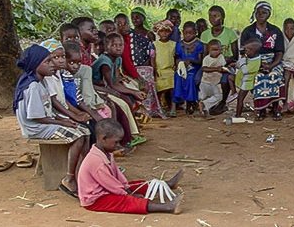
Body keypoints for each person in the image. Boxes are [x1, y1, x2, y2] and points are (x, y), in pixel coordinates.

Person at [13, 44, 90, 198]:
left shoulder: (42, 81)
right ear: (35, 65)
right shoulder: (33, 86)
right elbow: (37, 116)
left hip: (44, 122)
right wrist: (62, 122)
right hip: (36, 127)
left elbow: (47, 110)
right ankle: (69, 178)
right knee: (78, 136)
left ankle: (82, 172)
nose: (52, 64)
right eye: (47, 61)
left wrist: (62, 119)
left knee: (85, 131)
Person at [78, 119, 184, 214]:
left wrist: (126, 187)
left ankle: (167, 184)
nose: (118, 145)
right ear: (103, 138)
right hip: (96, 200)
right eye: (116, 142)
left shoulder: (106, 153)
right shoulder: (96, 161)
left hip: (106, 189)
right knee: (126, 201)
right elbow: (110, 183)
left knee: (136, 185)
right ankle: (167, 207)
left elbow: (117, 175)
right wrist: (128, 194)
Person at [92, 33, 145, 147]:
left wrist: (133, 92)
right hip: (98, 89)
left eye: (120, 45)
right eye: (114, 45)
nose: (118, 47)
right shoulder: (104, 62)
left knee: (129, 97)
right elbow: (111, 85)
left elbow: (115, 81)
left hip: (107, 87)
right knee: (122, 103)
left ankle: (132, 133)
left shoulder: (118, 59)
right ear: (106, 47)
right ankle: (127, 137)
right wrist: (132, 92)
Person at [239, 1, 286, 121]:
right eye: (258, 12)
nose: (260, 14)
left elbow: (279, 52)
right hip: (253, 61)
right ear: (254, 14)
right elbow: (243, 52)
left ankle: (275, 108)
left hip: (273, 61)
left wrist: (271, 65)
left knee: (275, 75)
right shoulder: (248, 31)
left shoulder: (275, 31)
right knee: (258, 76)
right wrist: (257, 64)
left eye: (264, 12)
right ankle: (261, 109)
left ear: (269, 14)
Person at [115, 13, 163, 118]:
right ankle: (138, 114)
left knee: (142, 84)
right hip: (119, 76)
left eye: (126, 23)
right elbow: (126, 63)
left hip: (125, 73)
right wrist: (138, 78)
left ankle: (141, 113)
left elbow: (128, 62)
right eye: (120, 24)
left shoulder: (129, 38)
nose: (125, 26)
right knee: (138, 87)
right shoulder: (118, 40)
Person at [200, 5, 239, 111]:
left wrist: (224, 61)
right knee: (196, 79)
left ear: (222, 17)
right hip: (209, 64)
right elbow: (204, 54)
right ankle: (204, 102)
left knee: (224, 81)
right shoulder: (205, 34)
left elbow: (235, 55)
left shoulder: (230, 34)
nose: (212, 19)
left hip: (226, 65)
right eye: (210, 16)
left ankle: (222, 103)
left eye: (215, 16)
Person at [173, 21, 204, 115]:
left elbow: (200, 61)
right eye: (186, 33)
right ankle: (178, 100)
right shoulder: (179, 44)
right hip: (182, 68)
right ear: (183, 32)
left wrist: (190, 61)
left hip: (194, 68)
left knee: (190, 78)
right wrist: (179, 62)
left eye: (190, 33)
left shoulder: (198, 44)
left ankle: (190, 102)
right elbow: (177, 57)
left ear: (195, 33)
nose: (188, 35)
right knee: (178, 77)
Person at [153, 20, 177, 117]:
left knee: (173, 87)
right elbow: (153, 58)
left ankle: (173, 107)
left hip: (170, 70)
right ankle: (159, 108)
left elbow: (175, 57)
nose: (164, 33)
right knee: (159, 89)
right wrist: (154, 70)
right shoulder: (154, 44)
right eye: (161, 31)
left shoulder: (173, 44)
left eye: (166, 31)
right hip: (159, 71)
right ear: (158, 32)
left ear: (170, 32)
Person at [199, 40, 230, 117]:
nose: (216, 52)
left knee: (218, 97)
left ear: (221, 49)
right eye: (213, 50)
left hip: (214, 83)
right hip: (205, 82)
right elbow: (204, 68)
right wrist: (216, 69)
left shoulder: (221, 57)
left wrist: (225, 69)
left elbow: (222, 67)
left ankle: (204, 107)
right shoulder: (206, 58)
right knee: (204, 96)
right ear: (209, 50)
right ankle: (203, 110)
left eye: (218, 50)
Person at [233, 38, 262, 119]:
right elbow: (239, 65)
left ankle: (238, 115)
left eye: (248, 50)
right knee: (255, 97)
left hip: (248, 82)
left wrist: (242, 59)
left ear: (254, 51)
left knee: (240, 98)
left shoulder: (256, 61)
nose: (245, 51)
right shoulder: (250, 57)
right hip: (245, 80)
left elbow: (246, 70)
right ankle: (258, 112)